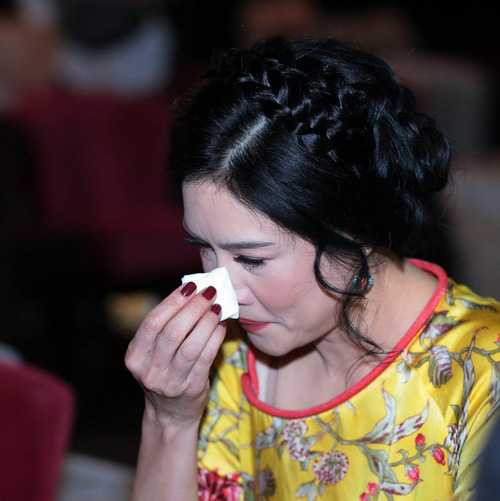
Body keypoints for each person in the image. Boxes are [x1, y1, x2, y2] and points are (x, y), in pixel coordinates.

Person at [124, 37, 500, 500]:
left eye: (252, 258)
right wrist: (169, 419)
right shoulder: (226, 355)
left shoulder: (480, 377)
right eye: (203, 248)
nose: (220, 292)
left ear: (356, 228)